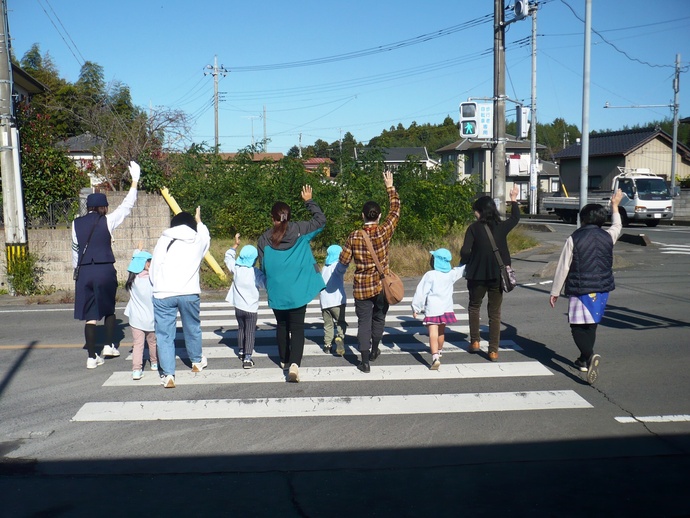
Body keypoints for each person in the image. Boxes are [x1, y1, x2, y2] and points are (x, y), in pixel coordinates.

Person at [549, 189, 624, 384]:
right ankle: (583, 360)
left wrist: (555, 291)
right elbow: (618, 225)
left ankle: (590, 356)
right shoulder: (608, 236)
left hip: (580, 289)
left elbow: (563, 266)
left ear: (582, 219)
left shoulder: (574, 238)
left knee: (577, 327)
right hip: (602, 289)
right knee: (591, 325)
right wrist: (615, 205)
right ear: (601, 220)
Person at [72, 161, 140, 369]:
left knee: (90, 315)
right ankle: (110, 345)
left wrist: (77, 271)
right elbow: (127, 206)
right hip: (104, 269)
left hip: (84, 270)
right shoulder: (108, 221)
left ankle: (91, 357)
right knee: (109, 308)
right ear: (102, 207)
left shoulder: (76, 223)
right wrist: (135, 181)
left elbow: (75, 250)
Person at [257, 185, 326, 383]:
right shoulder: (300, 230)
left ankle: (284, 360)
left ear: (272, 218)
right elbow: (321, 221)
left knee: (281, 324)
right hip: (298, 290)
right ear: (289, 216)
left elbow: (263, 268)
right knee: (297, 327)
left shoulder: (264, 239)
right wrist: (309, 201)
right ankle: (295, 364)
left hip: (277, 290)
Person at [339, 170, 401, 373]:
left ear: (362, 215)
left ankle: (364, 361)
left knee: (363, 321)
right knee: (379, 317)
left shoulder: (354, 236)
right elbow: (396, 210)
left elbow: (344, 260)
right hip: (383, 285)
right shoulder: (384, 231)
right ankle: (375, 350)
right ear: (379, 216)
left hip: (362, 287)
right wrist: (390, 187)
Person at [150, 207, 211, 388]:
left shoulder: (164, 239)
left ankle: (168, 375)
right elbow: (206, 238)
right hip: (189, 292)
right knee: (192, 327)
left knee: (164, 335)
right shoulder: (198, 240)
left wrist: (157, 287)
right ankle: (196, 362)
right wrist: (199, 221)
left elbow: (155, 266)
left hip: (163, 293)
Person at [460, 185, 520, 362]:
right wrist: (514, 198)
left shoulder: (473, 228)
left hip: (476, 275)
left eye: (475, 211)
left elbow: (465, 251)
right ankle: (493, 351)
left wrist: (472, 258)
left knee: (474, 307)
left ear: (479, 211)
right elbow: (516, 217)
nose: (474, 214)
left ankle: (475, 342)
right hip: (497, 275)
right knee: (494, 313)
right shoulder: (501, 227)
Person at [411, 249, 465, 370]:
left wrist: (416, 308)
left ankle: (435, 356)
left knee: (432, 333)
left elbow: (421, 292)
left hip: (433, 309)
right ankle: (439, 351)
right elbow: (461, 269)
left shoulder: (430, 275)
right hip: (446, 309)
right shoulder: (451, 274)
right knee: (441, 332)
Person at [224, 233, 266, 369]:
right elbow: (265, 284)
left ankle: (241, 351)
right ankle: (248, 358)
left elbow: (228, 257)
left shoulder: (236, 268)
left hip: (238, 307)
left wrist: (235, 244)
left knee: (241, 328)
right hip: (251, 308)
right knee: (250, 331)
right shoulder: (255, 272)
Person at [124, 246, 158, 380]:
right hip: (151, 318)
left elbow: (135, 260)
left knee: (138, 344)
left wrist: (137, 252)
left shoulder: (132, 280)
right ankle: (154, 363)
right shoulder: (152, 280)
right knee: (152, 342)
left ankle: (136, 370)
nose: (151, 263)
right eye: (149, 261)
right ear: (144, 263)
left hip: (136, 320)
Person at [319, 244, 348, 356]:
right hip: (337, 301)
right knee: (340, 322)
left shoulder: (324, 267)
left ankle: (327, 345)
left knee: (328, 325)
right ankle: (340, 338)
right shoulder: (336, 266)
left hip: (324, 302)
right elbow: (342, 268)